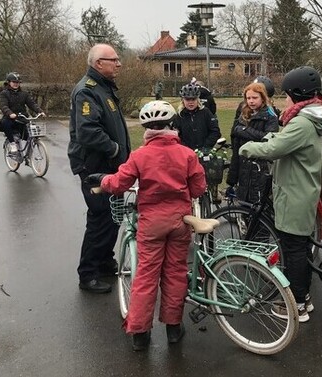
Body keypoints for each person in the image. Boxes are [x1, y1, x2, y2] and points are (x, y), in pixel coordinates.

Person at [84, 100, 207, 351]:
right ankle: (173, 328)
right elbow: (198, 188)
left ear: (146, 128)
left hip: (151, 224)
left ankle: (140, 333)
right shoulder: (186, 154)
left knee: (146, 276)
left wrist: (103, 180)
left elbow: (118, 183)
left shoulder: (139, 155)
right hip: (179, 222)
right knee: (175, 273)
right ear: (171, 125)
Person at [239, 66, 322, 322]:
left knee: (294, 250)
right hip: (301, 190)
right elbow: (285, 140)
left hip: (294, 193)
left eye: (288, 94)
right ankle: (304, 299)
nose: (285, 99)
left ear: (297, 95)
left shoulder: (302, 122)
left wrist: (247, 147)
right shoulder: (312, 117)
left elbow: (276, 148)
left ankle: (297, 304)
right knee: (299, 246)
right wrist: (271, 137)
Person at [68, 43, 131, 294]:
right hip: (95, 166)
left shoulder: (104, 88)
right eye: (113, 60)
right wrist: (116, 150)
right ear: (98, 64)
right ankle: (88, 273)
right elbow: (87, 131)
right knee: (100, 218)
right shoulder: (87, 91)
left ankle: (105, 261)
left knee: (113, 216)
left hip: (111, 167)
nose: (119, 63)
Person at [226, 82, 279, 203]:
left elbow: (269, 138)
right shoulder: (244, 114)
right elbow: (235, 135)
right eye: (248, 98)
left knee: (259, 201)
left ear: (262, 98)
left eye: (254, 98)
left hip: (260, 166)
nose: (251, 101)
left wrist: (245, 130)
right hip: (243, 165)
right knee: (243, 201)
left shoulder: (270, 116)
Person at [0, 72, 45, 153]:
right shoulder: (4, 94)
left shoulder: (24, 94)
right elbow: (3, 106)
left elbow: (32, 104)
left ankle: (30, 155)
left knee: (34, 132)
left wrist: (40, 111)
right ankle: (12, 143)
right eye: (14, 82)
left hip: (22, 118)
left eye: (18, 82)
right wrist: (10, 113)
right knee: (5, 123)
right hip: (11, 118)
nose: (16, 84)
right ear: (9, 83)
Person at [171, 83, 221, 151]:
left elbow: (215, 131)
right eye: (188, 100)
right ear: (183, 100)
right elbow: (176, 135)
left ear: (198, 99)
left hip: (204, 151)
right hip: (185, 152)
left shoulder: (206, 112)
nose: (191, 102)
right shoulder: (179, 116)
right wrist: (185, 148)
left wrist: (206, 146)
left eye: (193, 99)